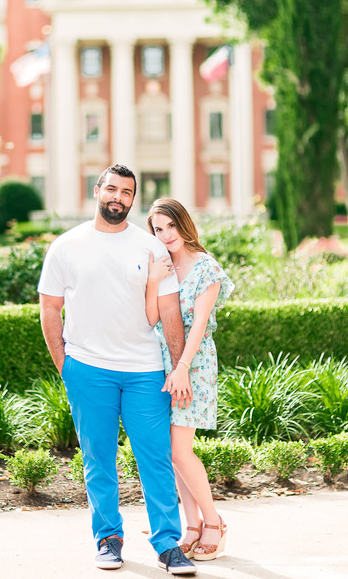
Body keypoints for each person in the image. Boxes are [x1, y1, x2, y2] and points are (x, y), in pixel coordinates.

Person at [38, 165, 197, 575]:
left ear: (132, 199)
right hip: (88, 369)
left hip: (145, 370)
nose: (118, 197)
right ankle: (108, 539)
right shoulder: (67, 246)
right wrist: (65, 364)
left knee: (156, 458)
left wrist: (179, 367)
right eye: (112, 188)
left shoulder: (150, 247)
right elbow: (50, 307)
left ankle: (167, 545)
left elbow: (169, 312)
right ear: (97, 191)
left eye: (127, 192)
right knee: (98, 459)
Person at [145, 198, 235, 562]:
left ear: (184, 224)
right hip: (161, 364)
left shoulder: (206, 268)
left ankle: (214, 524)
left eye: (170, 226)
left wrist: (181, 367)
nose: (165, 234)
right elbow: (150, 316)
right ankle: (191, 526)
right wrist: (153, 281)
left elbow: (198, 326)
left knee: (181, 450)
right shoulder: (160, 266)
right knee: (172, 452)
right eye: (158, 229)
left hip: (193, 365)